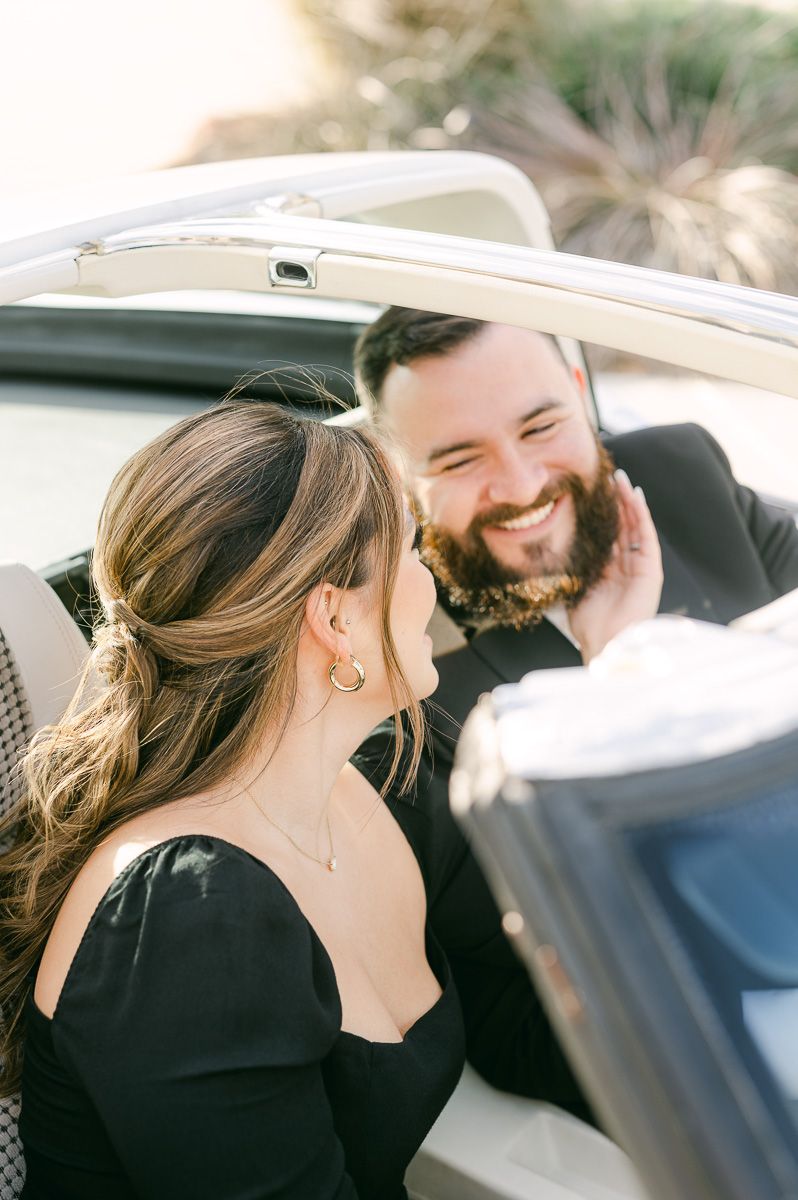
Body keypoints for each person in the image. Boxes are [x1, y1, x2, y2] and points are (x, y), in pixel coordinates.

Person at [0, 400, 465, 1200]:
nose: (429, 582)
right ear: (333, 618)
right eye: (413, 553)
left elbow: (539, 1021)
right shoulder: (184, 918)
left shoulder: (388, 780)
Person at [353, 308, 798, 1119]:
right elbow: (523, 1021)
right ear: (396, 473)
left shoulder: (681, 473)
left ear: (584, 395)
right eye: (459, 458)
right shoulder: (409, 704)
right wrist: (617, 680)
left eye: (541, 425)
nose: (521, 488)